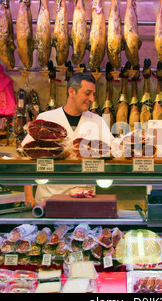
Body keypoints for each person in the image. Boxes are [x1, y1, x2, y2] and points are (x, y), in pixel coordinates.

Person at [22, 73, 114, 206]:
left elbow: (112, 152)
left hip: (84, 198)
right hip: (48, 199)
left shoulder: (98, 121)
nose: (92, 99)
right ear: (72, 92)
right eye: (87, 93)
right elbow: (27, 158)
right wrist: (28, 195)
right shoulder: (46, 119)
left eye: (93, 94)